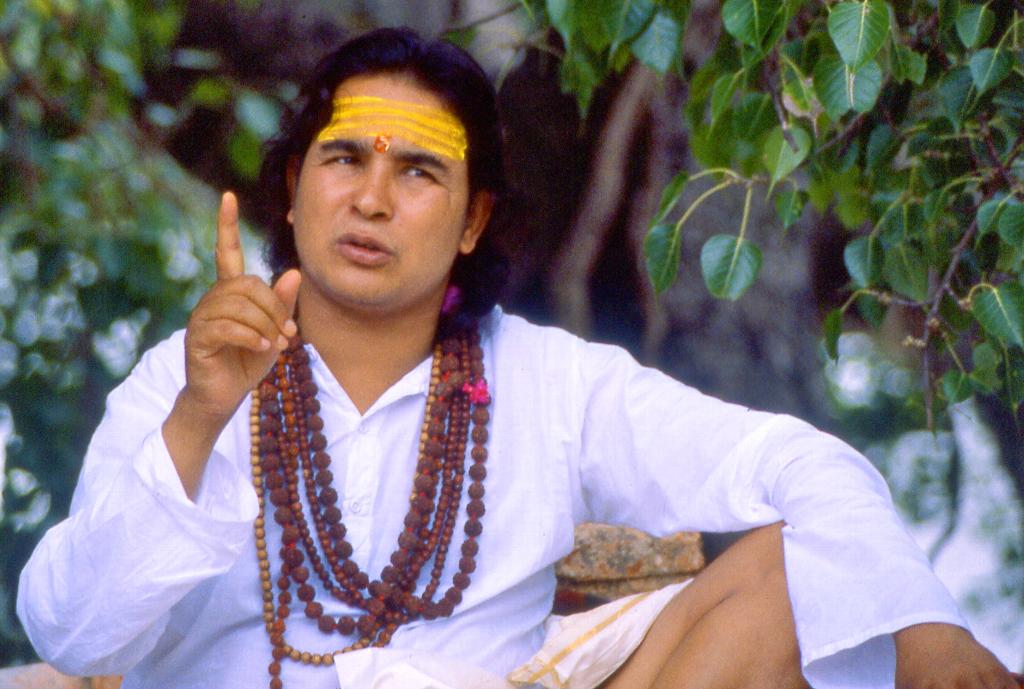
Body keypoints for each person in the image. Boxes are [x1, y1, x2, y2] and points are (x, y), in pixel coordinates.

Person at [17, 27, 1020, 689]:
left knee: (788, 565)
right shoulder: (182, 379)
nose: (371, 200)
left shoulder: (549, 382)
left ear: (472, 221)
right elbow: (72, 634)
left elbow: (802, 464)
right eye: (343, 158)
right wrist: (199, 420)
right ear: (291, 188)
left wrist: (927, 627)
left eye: (418, 170)